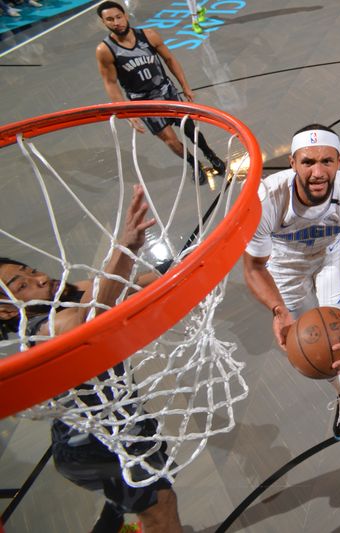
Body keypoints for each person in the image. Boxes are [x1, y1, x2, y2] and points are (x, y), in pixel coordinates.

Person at [0, 186, 182, 533]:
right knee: (161, 505)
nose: (39, 277)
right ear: (8, 310)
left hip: (122, 422)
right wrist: (125, 247)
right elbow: (82, 320)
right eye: (21, 286)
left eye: (29, 270)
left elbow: (125, 284)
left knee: (155, 492)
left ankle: (114, 515)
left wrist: (185, 264)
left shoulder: (66, 294)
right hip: (90, 446)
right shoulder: (39, 329)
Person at [242, 124, 340, 464]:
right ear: (292, 162)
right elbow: (254, 268)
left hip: (331, 256)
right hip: (284, 267)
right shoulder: (265, 200)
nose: (317, 172)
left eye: (327, 161)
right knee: (308, 343)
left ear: (339, 161)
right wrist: (277, 310)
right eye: (308, 162)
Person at [95, 1, 225, 185]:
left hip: (166, 91)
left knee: (190, 130)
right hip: (143, 103)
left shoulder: (148, 35)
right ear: (103, 22)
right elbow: (110, 82)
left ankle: (210, 154)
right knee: (170, 141)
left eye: (118, 17)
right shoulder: (105, 50)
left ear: (125, 15)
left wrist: (185, 86)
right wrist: (126, 113)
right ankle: (194, 164)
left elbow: (170, 59)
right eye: (110, 19)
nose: (116, 22)